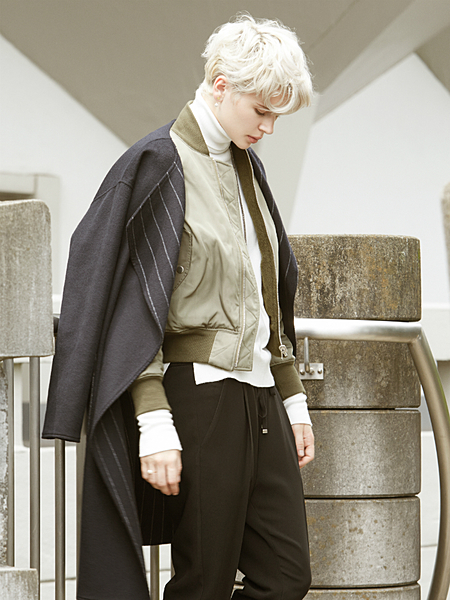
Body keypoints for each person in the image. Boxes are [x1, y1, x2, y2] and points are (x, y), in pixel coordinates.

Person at [43, 13, 314, 600]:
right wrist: (154, 422)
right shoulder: (157, 163)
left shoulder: (248, 168)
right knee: (204, 582)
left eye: (277, 115)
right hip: (198, 395)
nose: (268, 127)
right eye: (260, 110)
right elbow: (130, 311)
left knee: (287, 576)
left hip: (260, 396)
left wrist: (293, 398)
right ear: (220, 84)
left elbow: (265, 290)